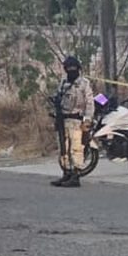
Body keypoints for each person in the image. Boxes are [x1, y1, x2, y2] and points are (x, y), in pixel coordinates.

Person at [50, 56, 94, 188]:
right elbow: (58, 98)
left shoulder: (84, 83)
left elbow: (89, 103)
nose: (71, 70)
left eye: (73, 68)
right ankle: (66, 172)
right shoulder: (63, 83)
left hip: (76, 120)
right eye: (68, 68)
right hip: (63, 119)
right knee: (63, 148)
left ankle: (75, 176)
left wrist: (87, 120)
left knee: (76, 149)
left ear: (78, 68)